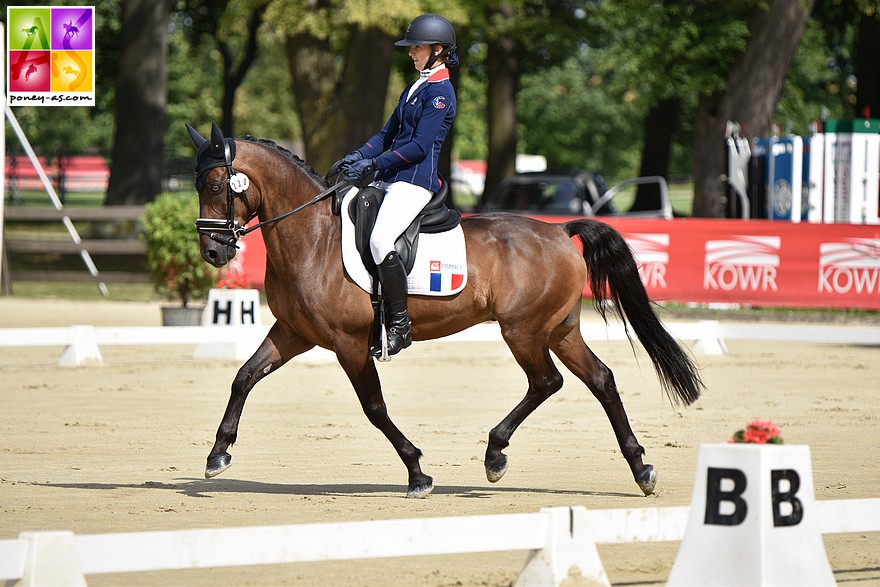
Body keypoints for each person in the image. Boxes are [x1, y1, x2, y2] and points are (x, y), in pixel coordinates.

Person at [341, 13, 458, 358]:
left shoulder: (441, 93)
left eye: (416, 47)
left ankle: (400, 325)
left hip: (416, 183)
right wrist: (357, 155)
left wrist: (375, 163)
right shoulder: (414, 88)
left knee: (380, 239)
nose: (411, 53)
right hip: (391, 179)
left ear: (437, 50)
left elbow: (419, 147)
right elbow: (386, 134)